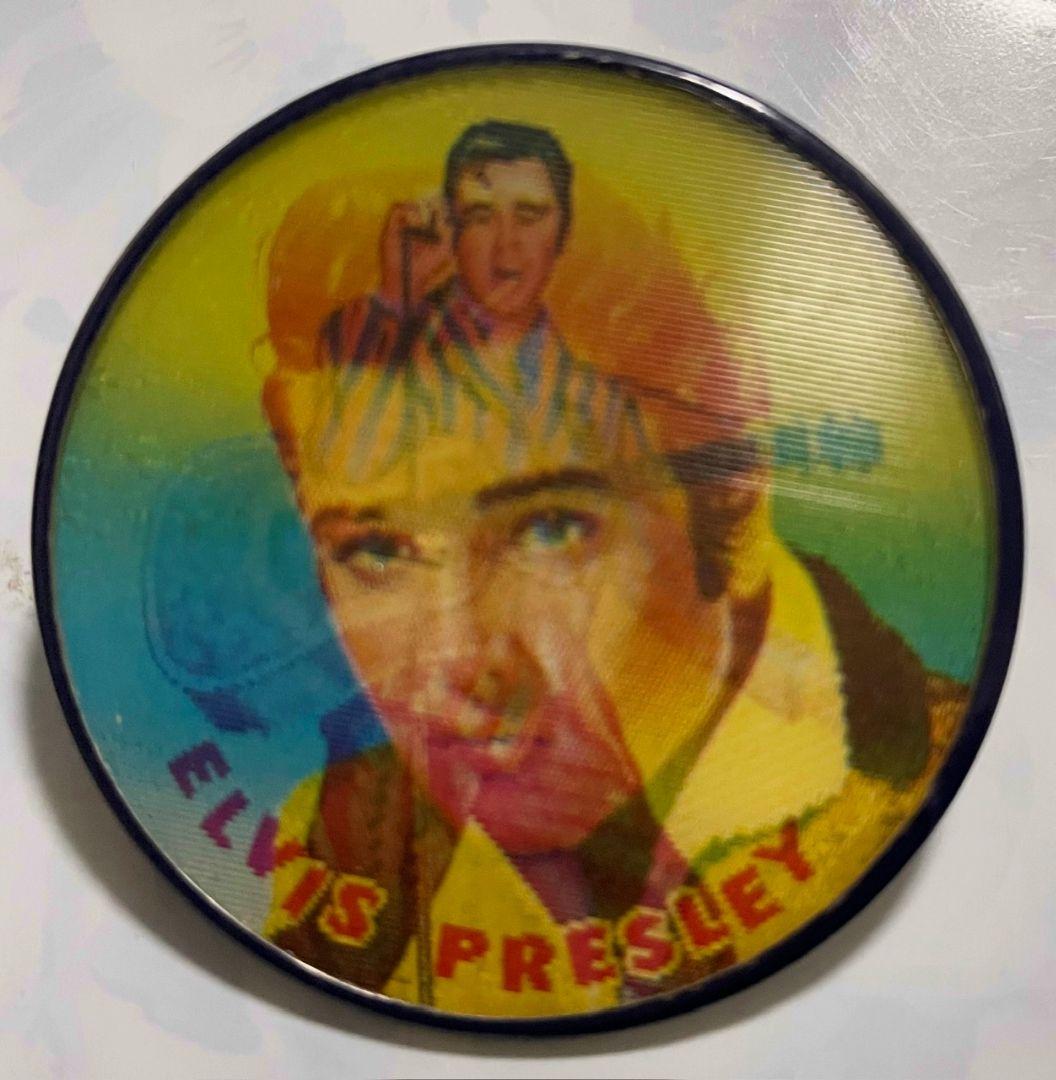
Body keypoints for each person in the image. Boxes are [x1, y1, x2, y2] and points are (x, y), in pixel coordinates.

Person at [259, 121, 966, 1018]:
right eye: (376, 552)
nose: (456, 661)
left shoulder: (945, 788)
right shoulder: (332, 842)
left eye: (548, 529)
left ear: (728, 477)